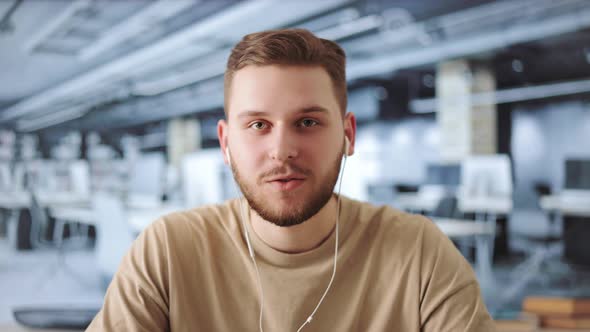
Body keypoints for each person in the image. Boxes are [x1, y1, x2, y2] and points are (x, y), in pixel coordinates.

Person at [87, 28, 495, 331]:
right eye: (259, 124)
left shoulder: (419, 253)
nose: (282, 150)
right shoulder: (168, 251)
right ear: (226, 143)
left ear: (348, 135)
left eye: (308, 121)